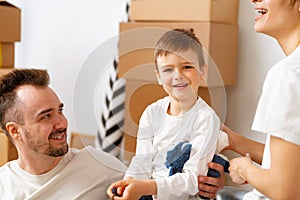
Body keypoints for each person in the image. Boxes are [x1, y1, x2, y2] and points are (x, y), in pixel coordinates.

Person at [107, 28, 228, 200]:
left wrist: (146, 187)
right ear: (158, 76)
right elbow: (142, 160)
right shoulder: (152, 113)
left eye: (187, 67)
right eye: (168, 70)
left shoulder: (206, 118)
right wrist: (127, 184)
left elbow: (193, 179)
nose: (178, 76)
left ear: (202, 71)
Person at [0, 69, 127, 199]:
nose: (62, 123)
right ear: (15, 130)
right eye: (46, 116)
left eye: (60, 111)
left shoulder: (99, 166)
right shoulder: (4, 187)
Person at [218, 0, 300, 199]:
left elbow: (285, 190)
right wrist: (235, 141)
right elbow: (290, 165)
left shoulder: (288, 73)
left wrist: (245, 168)